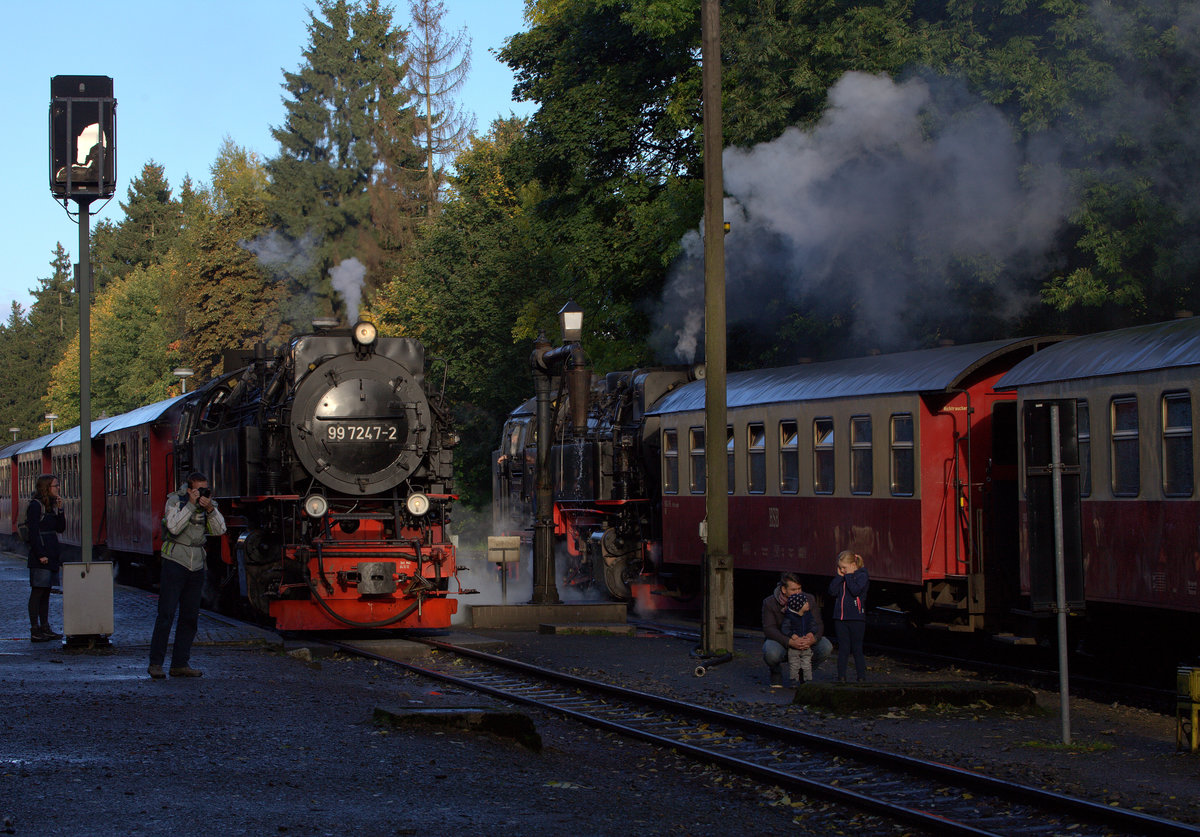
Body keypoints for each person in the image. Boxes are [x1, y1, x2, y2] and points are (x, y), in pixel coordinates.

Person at [149, 472, 226, 679]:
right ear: (189, 488)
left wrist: (210, 509)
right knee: (166, 615)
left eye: (205, 489)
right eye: (198, 489)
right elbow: (173, 527)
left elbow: (220, 530)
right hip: (175, 561)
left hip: (197, 564)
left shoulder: (209, 505)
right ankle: (156, 663)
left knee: (190, 617)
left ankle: (180, 664)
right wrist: (190, 505)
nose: (202, 493)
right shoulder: (175, 501)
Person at [762, 572, 831, 687]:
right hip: (783, 640)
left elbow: (818, 624)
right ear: (784, 590)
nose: (798, 592)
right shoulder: (770, 603)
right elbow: (769, 629)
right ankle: (776, 672)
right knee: (771, 652)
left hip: (805, 638)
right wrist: (790, 641)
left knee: (826, 646)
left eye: (799, 589)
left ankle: (803, 673)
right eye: (793, 590)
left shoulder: (809, 599)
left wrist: (812, 638)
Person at [26, 474, 66, 642]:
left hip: (51, 553)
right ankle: (35, 629)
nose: (58, 489)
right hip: (41, 554)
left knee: (47, 591)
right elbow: (33, 532)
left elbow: (60, 528)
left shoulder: (49, 507)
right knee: (38, 591)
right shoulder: (35, 506)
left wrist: (60, 510)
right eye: (55, 486)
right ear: (46, 487)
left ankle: (45, 627)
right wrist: (40, 554)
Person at [828, 550, 869, 682]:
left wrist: (849, 576)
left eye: (844, 568)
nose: (842, 570)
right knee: (843, 649)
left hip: (856, 618)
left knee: (857, 648)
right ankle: (841, 677)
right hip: (840, 618)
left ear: (852, 564)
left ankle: (861, 677)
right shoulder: (843, 576)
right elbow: (832, 591)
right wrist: (839, 577)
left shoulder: (862, 575)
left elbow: (855, 590)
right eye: (840, 568)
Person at [780, 592, 815, 684]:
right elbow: (785, 628)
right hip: (794, 646)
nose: (808, 604)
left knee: (807, 663)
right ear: (799, 606)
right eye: (805, 602)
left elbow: (813, 625)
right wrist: (792, 635)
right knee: (794, 664)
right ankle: (794, 680)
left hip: (806, 643)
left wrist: (811, 633)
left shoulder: (808, 615)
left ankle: (807, 680)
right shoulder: (789, 617)